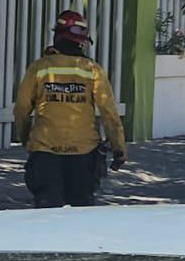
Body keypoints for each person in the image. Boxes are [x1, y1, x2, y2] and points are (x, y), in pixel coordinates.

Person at [14, 11, 127, 208]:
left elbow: (22, 109)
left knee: (47, 212)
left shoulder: (39, 68)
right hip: (84, 154)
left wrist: (26, 139)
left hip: (45, 151)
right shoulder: (92, 70)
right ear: (82, 42)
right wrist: (119, 148)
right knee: (81, 214)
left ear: (57, 36)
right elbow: (108, 112)